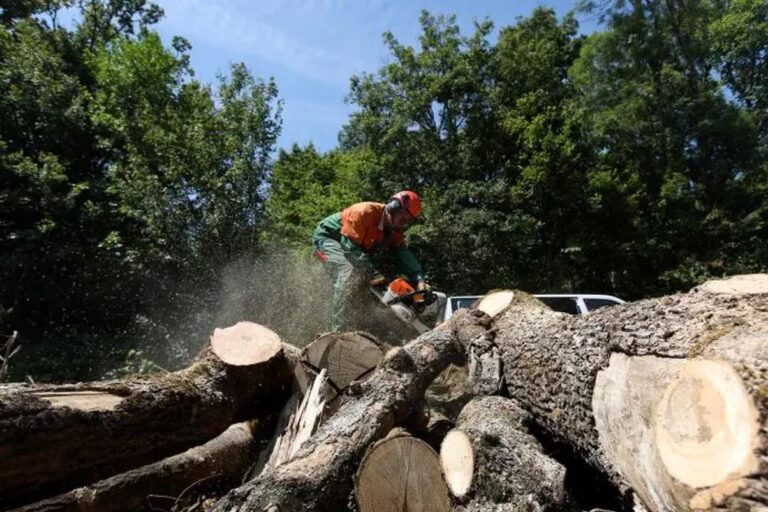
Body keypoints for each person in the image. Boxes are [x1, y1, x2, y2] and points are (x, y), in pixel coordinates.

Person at [313, 191, 428, 331]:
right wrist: (372, 272)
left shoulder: (393, 230)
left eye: (407, 222)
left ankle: (364, 330)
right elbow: (349, 247)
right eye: (403, 219)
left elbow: (402, 252)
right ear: (394, 206)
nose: (403, 224)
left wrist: (418, 278)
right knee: (349, 275)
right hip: (330, 238)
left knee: (368, 285)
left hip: (355, 249)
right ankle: (339, 332)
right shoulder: (364, 212)